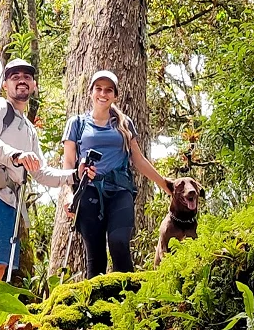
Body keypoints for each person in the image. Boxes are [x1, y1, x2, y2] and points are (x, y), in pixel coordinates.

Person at [0, 58, 92, 295]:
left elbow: (41, 172)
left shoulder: (29, 129)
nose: (21, 80)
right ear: (5, 85)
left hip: (9, 200)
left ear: (33, 85)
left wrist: (74, 175)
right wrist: (16, 155)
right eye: (15, 77)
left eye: (26, 77)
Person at [60, 70, 173, 277]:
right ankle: (96, 307)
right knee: (95, 256)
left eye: (108, 90)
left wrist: (164, 183)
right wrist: (69, 194)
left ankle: (129, 302)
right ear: (90, 92)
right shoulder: (76, 124)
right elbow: (68, 162)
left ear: (115, 95)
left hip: (121, 190)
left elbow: (138, 159)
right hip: (88, 191)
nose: (103, 94)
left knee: (119, 243)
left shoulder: (124, 124)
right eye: (99, 89)